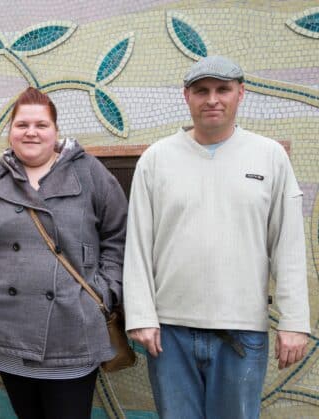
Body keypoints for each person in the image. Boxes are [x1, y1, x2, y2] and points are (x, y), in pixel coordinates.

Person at [123, 55, 310, 419]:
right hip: (170, 330)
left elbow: (287, 246)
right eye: (201, 91)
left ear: (241, 93)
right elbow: (138, 245)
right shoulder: (156, 159)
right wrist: (141, 315)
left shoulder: (269, 156)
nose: (212, 99)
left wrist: (294, 322)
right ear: (186, 96)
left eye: (222, 89)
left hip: (241, 329)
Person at [0, 87, 128, 418]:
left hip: (72, 332)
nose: (31, 132)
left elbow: (118, 237)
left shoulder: (89, 173)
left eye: (41, 125)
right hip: (6, 330)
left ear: (55, 131)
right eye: (22, 125)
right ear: (10, 131)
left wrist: (104, 292)